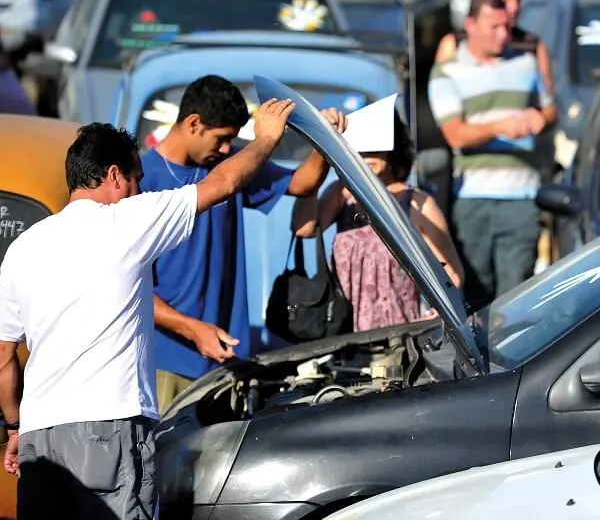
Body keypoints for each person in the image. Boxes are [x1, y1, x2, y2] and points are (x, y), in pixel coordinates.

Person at [0, 99, 295, 520]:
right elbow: (224, 183)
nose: (140, 190)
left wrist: (14, 427)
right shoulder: (126, 220)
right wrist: (266, 138)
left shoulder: (22, 248)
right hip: (107, 429)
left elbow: (5, 357)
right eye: (137, 179)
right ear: (115, 176)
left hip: (38, 438)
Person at [140, 75, 347, 412]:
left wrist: (324, 140)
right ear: (193, 123)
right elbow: (128, 286)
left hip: (226, 364)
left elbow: (301, 182)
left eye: (232, 141)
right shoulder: (144, 180)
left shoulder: (231, 166)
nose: (225, 150)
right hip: (165, 365)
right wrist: (193, 330)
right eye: (222, 139)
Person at [427, 0, 554, 305]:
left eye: (506, 27)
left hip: (521, 198)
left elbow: (551, 110)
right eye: (494, 27)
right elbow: (455, 134)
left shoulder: (525, 64)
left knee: (518, 297)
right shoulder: (448, 71)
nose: (503, 35)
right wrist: (500, 126)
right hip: (473, 200)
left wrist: (540, 116)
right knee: (475, 295)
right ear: (470, 25)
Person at [292, 110, 463, 332]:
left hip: (399, 336)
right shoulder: (341, 194)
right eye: (359, 148)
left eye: (374, 147)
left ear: (392, 148)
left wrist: (433, 316)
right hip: (342, 333)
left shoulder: (416, 202)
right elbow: (303, 229)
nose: (366, 155)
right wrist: (317, 163)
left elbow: (452, 273)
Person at [434, 0, 557, 129]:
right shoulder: (454, 44)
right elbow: (442, 105)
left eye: (518, 0)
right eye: (505, 1)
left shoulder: (531, 47)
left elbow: (548, 107)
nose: (513, 8)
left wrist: (538, 119)